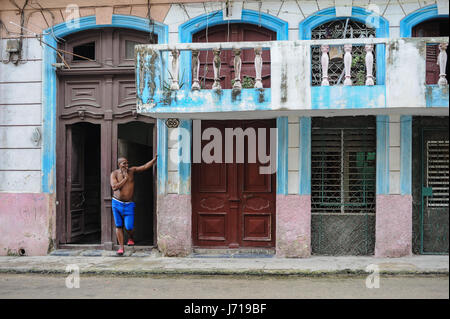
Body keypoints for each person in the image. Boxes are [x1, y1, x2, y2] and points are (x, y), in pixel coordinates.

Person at [110, 155, 157, 256]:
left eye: (127, 163)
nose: (126, 165)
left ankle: (131, 237)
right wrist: (125, 179)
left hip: (129, 204)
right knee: (118, 225)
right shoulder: (114, 174)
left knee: (129, 226)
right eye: (124, 163)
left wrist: (154, 160)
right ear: (119, 165)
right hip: (116, 203)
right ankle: (121, 248)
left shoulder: (132, 170)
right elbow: (114, 187)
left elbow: (144, 167)